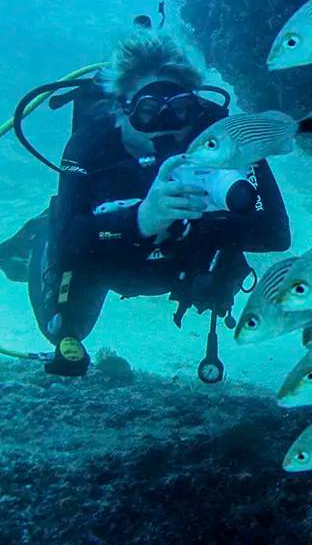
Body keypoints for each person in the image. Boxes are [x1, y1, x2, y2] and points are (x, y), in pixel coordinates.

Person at [24, 32, 290, 376]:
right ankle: (32, 236)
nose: (165, 126)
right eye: (148, 111)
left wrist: (197, 218)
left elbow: (276, 234)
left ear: (195, 107)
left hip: (181, 268)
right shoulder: (92, 143)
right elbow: (71, 240)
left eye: (180, 109)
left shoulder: (226, 138)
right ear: (121, 110)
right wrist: (140, 219)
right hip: (105, 259)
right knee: (62, 329)